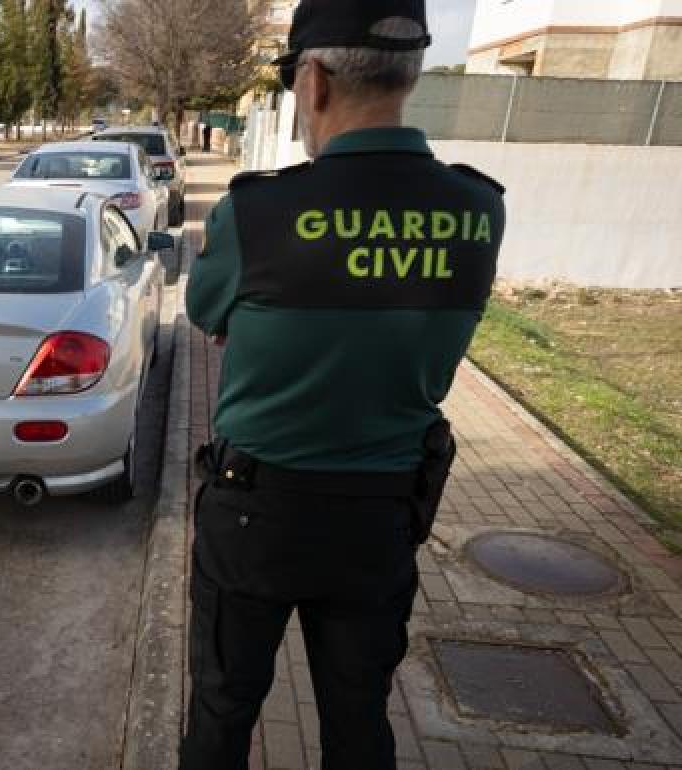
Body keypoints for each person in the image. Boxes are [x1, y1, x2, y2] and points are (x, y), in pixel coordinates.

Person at [181, 1, 506, 768]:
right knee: (359, 719)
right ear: (413, 73)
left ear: (315, 79)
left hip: (256, 517)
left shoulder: (257, 211)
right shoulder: (477, 208)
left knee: (223, 712)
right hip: (381, 517)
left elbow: (206, 312)